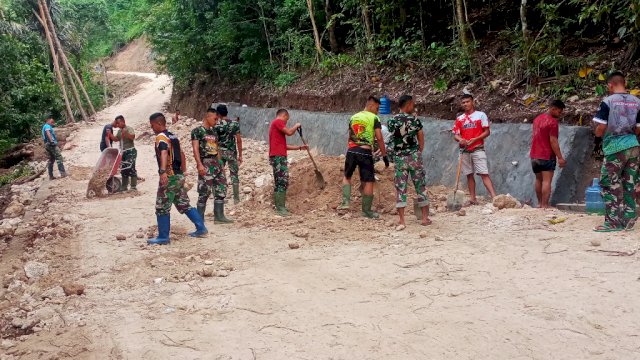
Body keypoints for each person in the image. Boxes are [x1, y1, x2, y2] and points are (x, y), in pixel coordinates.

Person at [148, 112, 208, 245]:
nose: (152, 128)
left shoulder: (161, 137)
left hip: (169, 177)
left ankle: (163, 237)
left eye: (152, 126)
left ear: (158, 123)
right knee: (184, 204)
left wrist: (163, 171)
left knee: (162, 206)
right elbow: (182, 154)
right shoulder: (173, 136)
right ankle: (201, 228)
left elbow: (163, 152)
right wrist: (184, 171)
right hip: (179, 175)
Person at [592, 71, 640, 232]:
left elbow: (601, 127)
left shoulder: (608, 102)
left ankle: (613, 222)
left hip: (614, 147)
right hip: (633, 146)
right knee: (630, 183)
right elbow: (639, 128)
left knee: (609, 183)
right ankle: (628, 219)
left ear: (610, 85)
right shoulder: (637, 102)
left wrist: (598, 136)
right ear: (624, 83)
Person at [337, 96, 389, 218]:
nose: (377, 111)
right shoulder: (374, 118)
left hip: (351, 150)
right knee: (368, 180)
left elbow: (349, 136)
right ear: (371, 105)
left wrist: (349, 151)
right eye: (377, 108)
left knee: (347, 176)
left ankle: (345, 203)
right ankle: (366, 211)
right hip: (365, 152)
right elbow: (379, 138)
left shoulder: (354, 117)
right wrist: (384, 155)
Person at [387, 95, 431, 226]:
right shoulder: (415, 121)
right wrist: (417, 152)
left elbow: (391, 139)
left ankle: (402, 220)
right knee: (420, 186)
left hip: (400, 158)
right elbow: (421, 139)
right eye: (413, 104)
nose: (414, 107)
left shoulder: (392, 121)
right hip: (414, 156)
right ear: (408, 104)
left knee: (401, 187)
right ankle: (424, 218)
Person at [452, 94, 497, 205]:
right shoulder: (459, 119)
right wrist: (460, 139)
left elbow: (487, 131)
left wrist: (475, 139)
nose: (466, 104)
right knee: (469, 174)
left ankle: (495, 198)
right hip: (464, 150)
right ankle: (473, 198)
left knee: (483, 173)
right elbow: (455, 135)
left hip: (478, 148)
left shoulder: (481, 115)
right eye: (463, 102)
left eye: (467, 101)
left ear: (473, 102)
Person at [191, 108, 233, 223]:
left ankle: (219, 216)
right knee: (204, 191)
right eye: (215, 118)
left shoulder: (214, 132)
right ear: (207, 117)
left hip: (216, 163)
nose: (217, 121)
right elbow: (195, 149)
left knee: (221, 189)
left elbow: (217, 148)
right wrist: (199, 164)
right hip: (206, 162)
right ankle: (199, 220)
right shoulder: (197, 131)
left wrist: (221, 165)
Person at [268, 109, 308, 216]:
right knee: (282, 181)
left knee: (279, 182)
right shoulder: (277, 122)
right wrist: (296, 125)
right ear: (284, 115)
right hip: (279, 158)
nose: (286, 122)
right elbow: (290, 132)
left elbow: (284, 146)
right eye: (286, 119)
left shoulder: (275, 127)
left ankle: (279, 207)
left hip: (277, 156)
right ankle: (280, 208)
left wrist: (300, 147)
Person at [530, 100, 567, 209]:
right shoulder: (552, 122)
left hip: (534, 155)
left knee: (538, 180)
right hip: (546, 155)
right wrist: (560, 157)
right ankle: (545, 205)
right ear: (553, 109)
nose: (560, 114)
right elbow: (553, 141)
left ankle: (539, 203)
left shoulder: (537, 119)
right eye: (559, 112)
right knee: (547, 181)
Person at [214, 104, 243, 204]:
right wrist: (240, 155)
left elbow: (215, 141)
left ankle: (220, 197)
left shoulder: (217, 125)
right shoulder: (235, 124)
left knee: (220, 174)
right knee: (234, 174)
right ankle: (236, 198)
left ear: (218, 114)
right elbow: (238, 140)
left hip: (220, 153)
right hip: (231, 152)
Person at [112, 115, 138, 192]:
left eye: (118, 123)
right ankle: (124, 186)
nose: (117, 125)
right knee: (123, 169)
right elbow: (116, 139)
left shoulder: (129, 129)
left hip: (130, 151)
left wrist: (126, 133)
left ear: (123, 121)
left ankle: (133, 187)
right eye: (116, 123)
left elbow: (132, 137)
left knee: (131, 168)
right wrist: (110, 135)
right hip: (122, 152)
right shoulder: (119, 131)